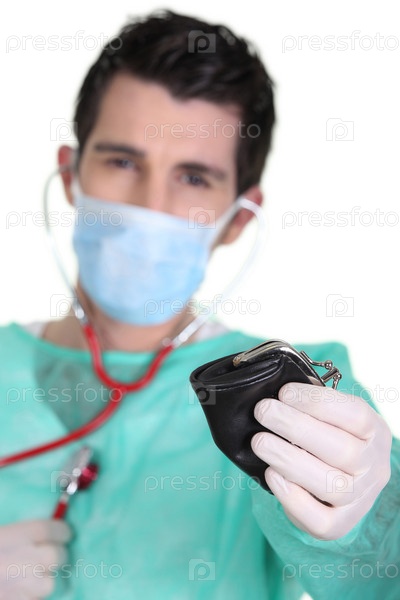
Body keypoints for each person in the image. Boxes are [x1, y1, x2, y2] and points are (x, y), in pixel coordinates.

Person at [0, 9, 398, 600]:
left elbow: (383, 576)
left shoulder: (293, 397)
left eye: (193, 178)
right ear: (69, 175)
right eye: (122, 162)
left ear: (238, 218)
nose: (151, 204)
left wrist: (365, 526)